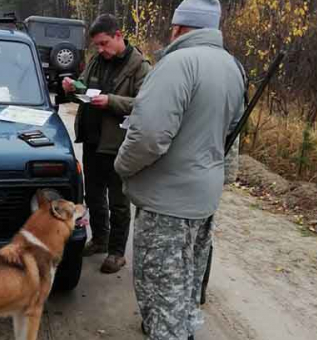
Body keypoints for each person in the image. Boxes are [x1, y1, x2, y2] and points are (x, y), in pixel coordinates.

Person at [113, 0, 245, 339]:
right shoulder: (232, 67)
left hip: (165, 205)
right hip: (203, 200)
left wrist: (122, 166)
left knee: (161, 290)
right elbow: (232, 136)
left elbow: (149, 136)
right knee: (185, 283)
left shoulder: (177, 64)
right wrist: (219, 177)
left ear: (179, 27)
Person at [62, 14, 150, 274]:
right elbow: (85, 91)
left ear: (119, 35)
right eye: (96, 45)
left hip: (118, 144)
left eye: (104, 43)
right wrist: (72, 89)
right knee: (94, 195)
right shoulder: (98, 61)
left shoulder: (139, 66)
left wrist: (112, 101)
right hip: (92, 141)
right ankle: (100, 239)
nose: (100, 50)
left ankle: (116, 252)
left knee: (119, 201)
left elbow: (146, 104)